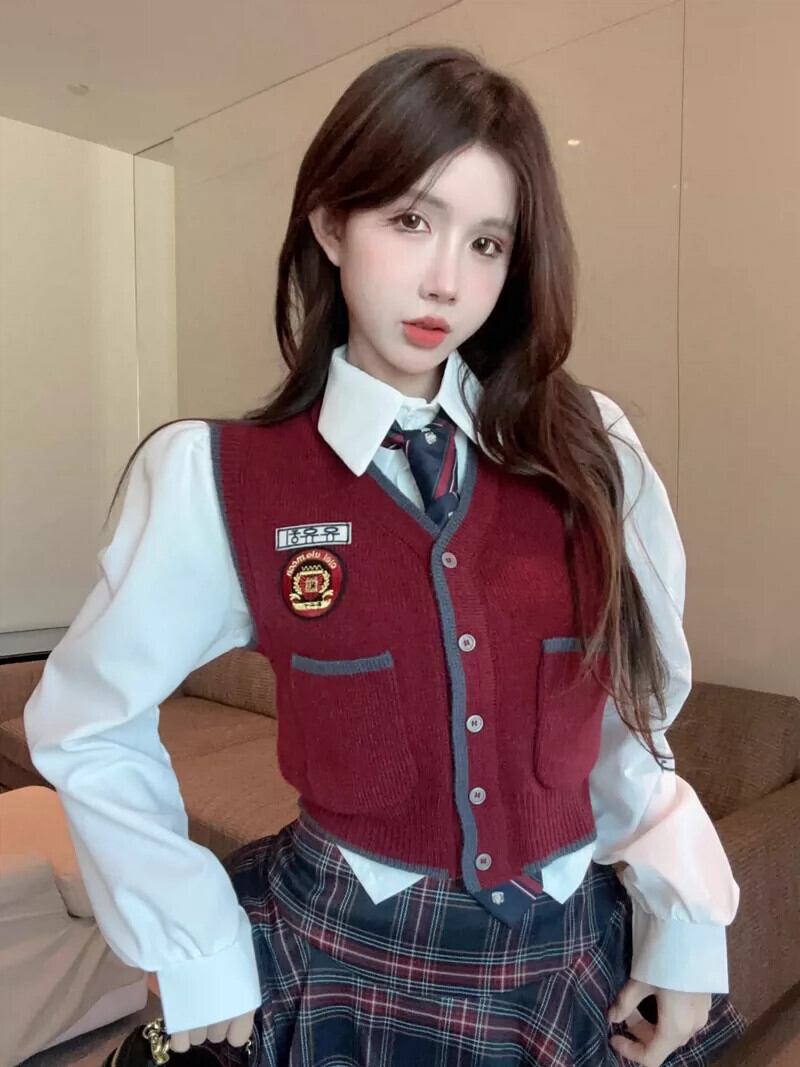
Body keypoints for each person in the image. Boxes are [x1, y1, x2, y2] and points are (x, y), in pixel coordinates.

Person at [23, 45, 748, 1067]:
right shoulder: (220, 480)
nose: (446, 279)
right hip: (338, 958)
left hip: (566, 960)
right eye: (410, 220)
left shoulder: (592, 451)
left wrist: (685, 922)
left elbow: (624, 720)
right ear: (330, 222)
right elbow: (87, 721)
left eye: (487, 242)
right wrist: (196, 941)